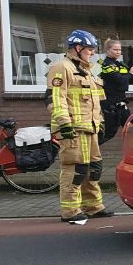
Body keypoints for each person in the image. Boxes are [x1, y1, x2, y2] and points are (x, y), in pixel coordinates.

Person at [46, 29, 110, 224]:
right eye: (89, 49)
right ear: (78, 47)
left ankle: (93, 206)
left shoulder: (87, 71)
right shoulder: (61, 67)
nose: (92, 53)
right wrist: (64, 125)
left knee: (93, 168)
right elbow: (57, 99)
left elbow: (94, 101)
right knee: (75, 169)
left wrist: (100, 121)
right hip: (73, 129)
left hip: (89, 128)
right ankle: (71, 210)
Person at [98, 38, 131, 144]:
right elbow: (120, 80)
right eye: (115, 49)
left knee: (131, 128)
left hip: (121, 101)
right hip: (111, 103)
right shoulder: (107, 65)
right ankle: (90, 150)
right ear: (107, 51)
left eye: (119, 50)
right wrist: (131, 74)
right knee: (109, 132)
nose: (118, 52)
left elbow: (124, 80)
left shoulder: (118, 64)